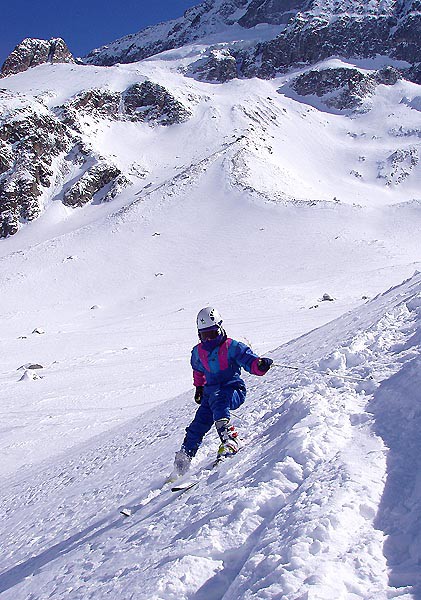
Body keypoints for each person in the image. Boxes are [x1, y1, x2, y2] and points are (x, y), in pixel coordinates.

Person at [170, 306, 273, 479]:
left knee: (219, 400)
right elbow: (198, 370)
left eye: (212, 334)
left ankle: (230, 439)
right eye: (204, 335)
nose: (209, 339)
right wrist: (199, 388)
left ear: (220, 328)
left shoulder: (232, 346)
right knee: (198, 424)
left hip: (232, 389)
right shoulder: (198, 352)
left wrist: (260, 365)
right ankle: (182, 463)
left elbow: (249, 361)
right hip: (210, 394)